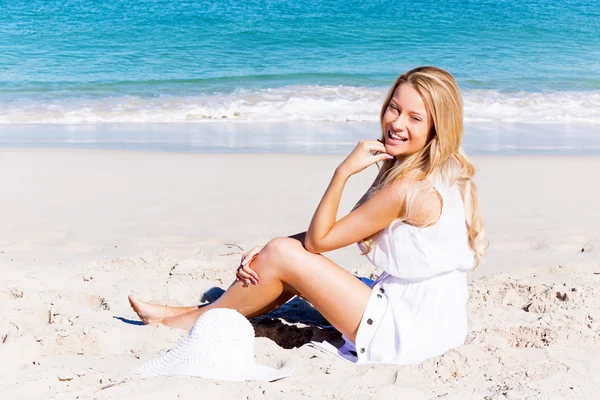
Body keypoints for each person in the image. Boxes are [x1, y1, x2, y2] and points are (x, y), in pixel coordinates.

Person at [128, 66, 487, 365]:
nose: (396, 123)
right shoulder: (442, 171)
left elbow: (319, 241)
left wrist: (343, 172)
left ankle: (181, 319)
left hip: (405, 331)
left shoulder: (405, 189)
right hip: (435, 320)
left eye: (415, 117)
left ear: (437, 126)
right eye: (394, 108)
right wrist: (275, 248)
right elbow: (340, 232)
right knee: (282, 254)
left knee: (285, 255)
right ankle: (185, 312)